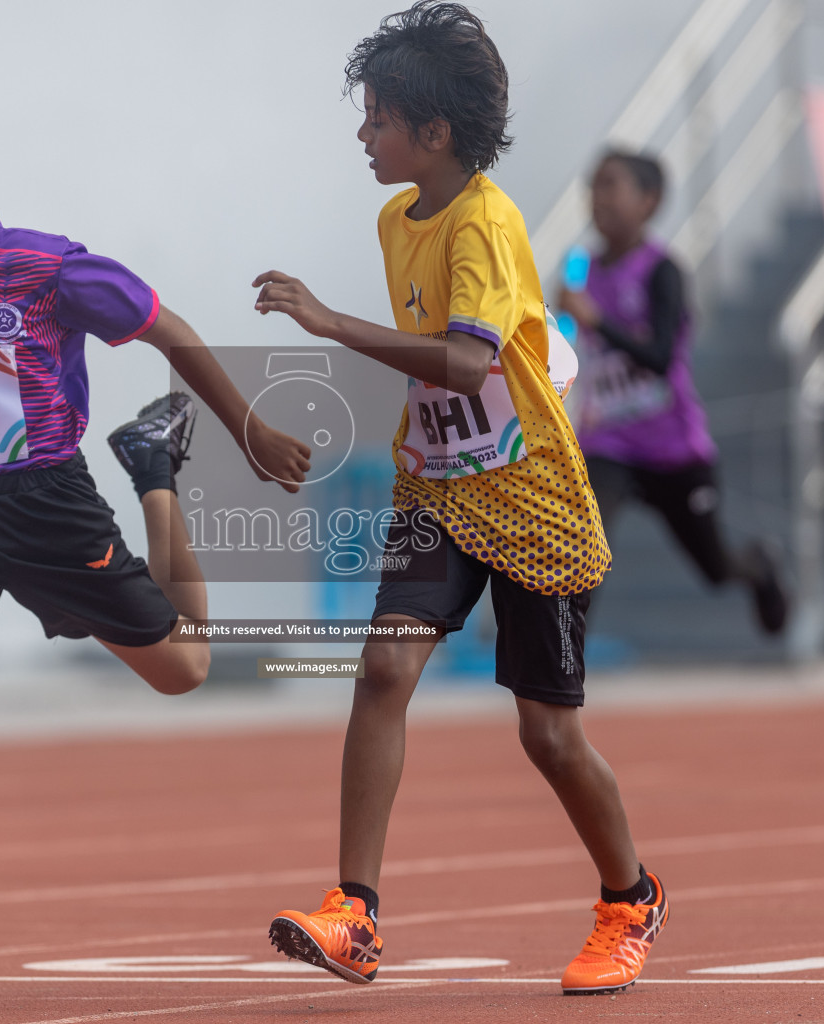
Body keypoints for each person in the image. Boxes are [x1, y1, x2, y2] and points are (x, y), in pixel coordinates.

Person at [0, 146, 311, 1011]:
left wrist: (249, 428)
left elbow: (169, 329)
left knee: (185, 670)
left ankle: (154, 467)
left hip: (45, 508)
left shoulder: (48, 271)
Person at [251, 2, 667, 997]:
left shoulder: (487, 221)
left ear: (433, 133)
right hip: (438, 484)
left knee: (548, 732)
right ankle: (354, 911)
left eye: (378, 118)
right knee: (384, 668)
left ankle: (631, 897)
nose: (363, 134)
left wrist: (327, 321)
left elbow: (468, 356)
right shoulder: (400, 217)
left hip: (529, 499)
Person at [554, 150, 787, 635]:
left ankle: (759, 567)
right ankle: (563, 665)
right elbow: (570, 348)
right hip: (608, 446)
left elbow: (659, 357)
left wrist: (596, 319)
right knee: (581, 550)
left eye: (610, 185)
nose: (597, 199)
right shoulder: (580, 270)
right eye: (592, 187)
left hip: (673, 450)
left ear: (648, 201)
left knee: (715, 568)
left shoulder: (663, 273)